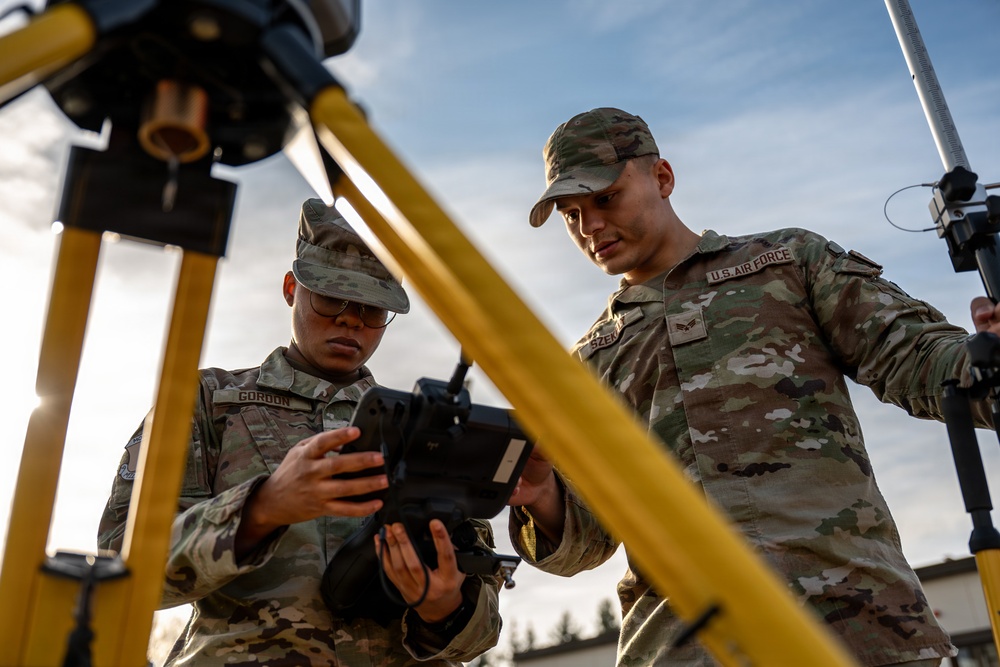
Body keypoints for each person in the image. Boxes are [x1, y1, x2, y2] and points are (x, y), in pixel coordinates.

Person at [507, 107, 1000, 667]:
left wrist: (985, 357)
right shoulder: (589, 362)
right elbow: (587, 536)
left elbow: (917, 360)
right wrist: (541, 494)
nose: (589, 226)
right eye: (571, 214)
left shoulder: (788, 263)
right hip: (686, 646)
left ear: (662, 178)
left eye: (605, 198)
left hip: (854, 622)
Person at [98, 199, 502, 666]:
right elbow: (120, 564)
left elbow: (482, 628)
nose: (351, 319)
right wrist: (261, 509)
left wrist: (445, 606)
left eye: (373, 308)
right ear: (292, 288)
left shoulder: (425, 430)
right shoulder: (207, 401)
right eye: (331, 297)